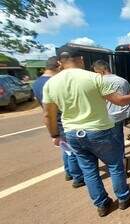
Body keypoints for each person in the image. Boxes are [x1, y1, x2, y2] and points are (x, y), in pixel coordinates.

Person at [42, 47, 130, 217]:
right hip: (99, 131)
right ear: (81, 59)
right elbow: (120, 101)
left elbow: (48, 115)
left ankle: (102, 204)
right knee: (114, 165)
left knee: (89, 170)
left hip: (72, 134)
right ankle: (123, 198)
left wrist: (55, 135)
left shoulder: (51, 83)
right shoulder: (93, 78)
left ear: (60, 62)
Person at [32, 56, 84, 188]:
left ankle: (69, 172)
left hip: (54, 121)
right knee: (73, 151)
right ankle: (78, 178)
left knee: (66, 148)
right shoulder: (53, 82)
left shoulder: (37, 82)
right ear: (58, 65)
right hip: (63, 120)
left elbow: (45, 109)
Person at [92, 60, 130, 173]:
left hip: (103, 117)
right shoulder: (122, 80)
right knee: (118, 141)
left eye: (97, 71)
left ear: (102, 69)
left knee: (104, 142)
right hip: (119, 116)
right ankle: (121, 163)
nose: (96, 74)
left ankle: (114, 165)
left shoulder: (97, 81)